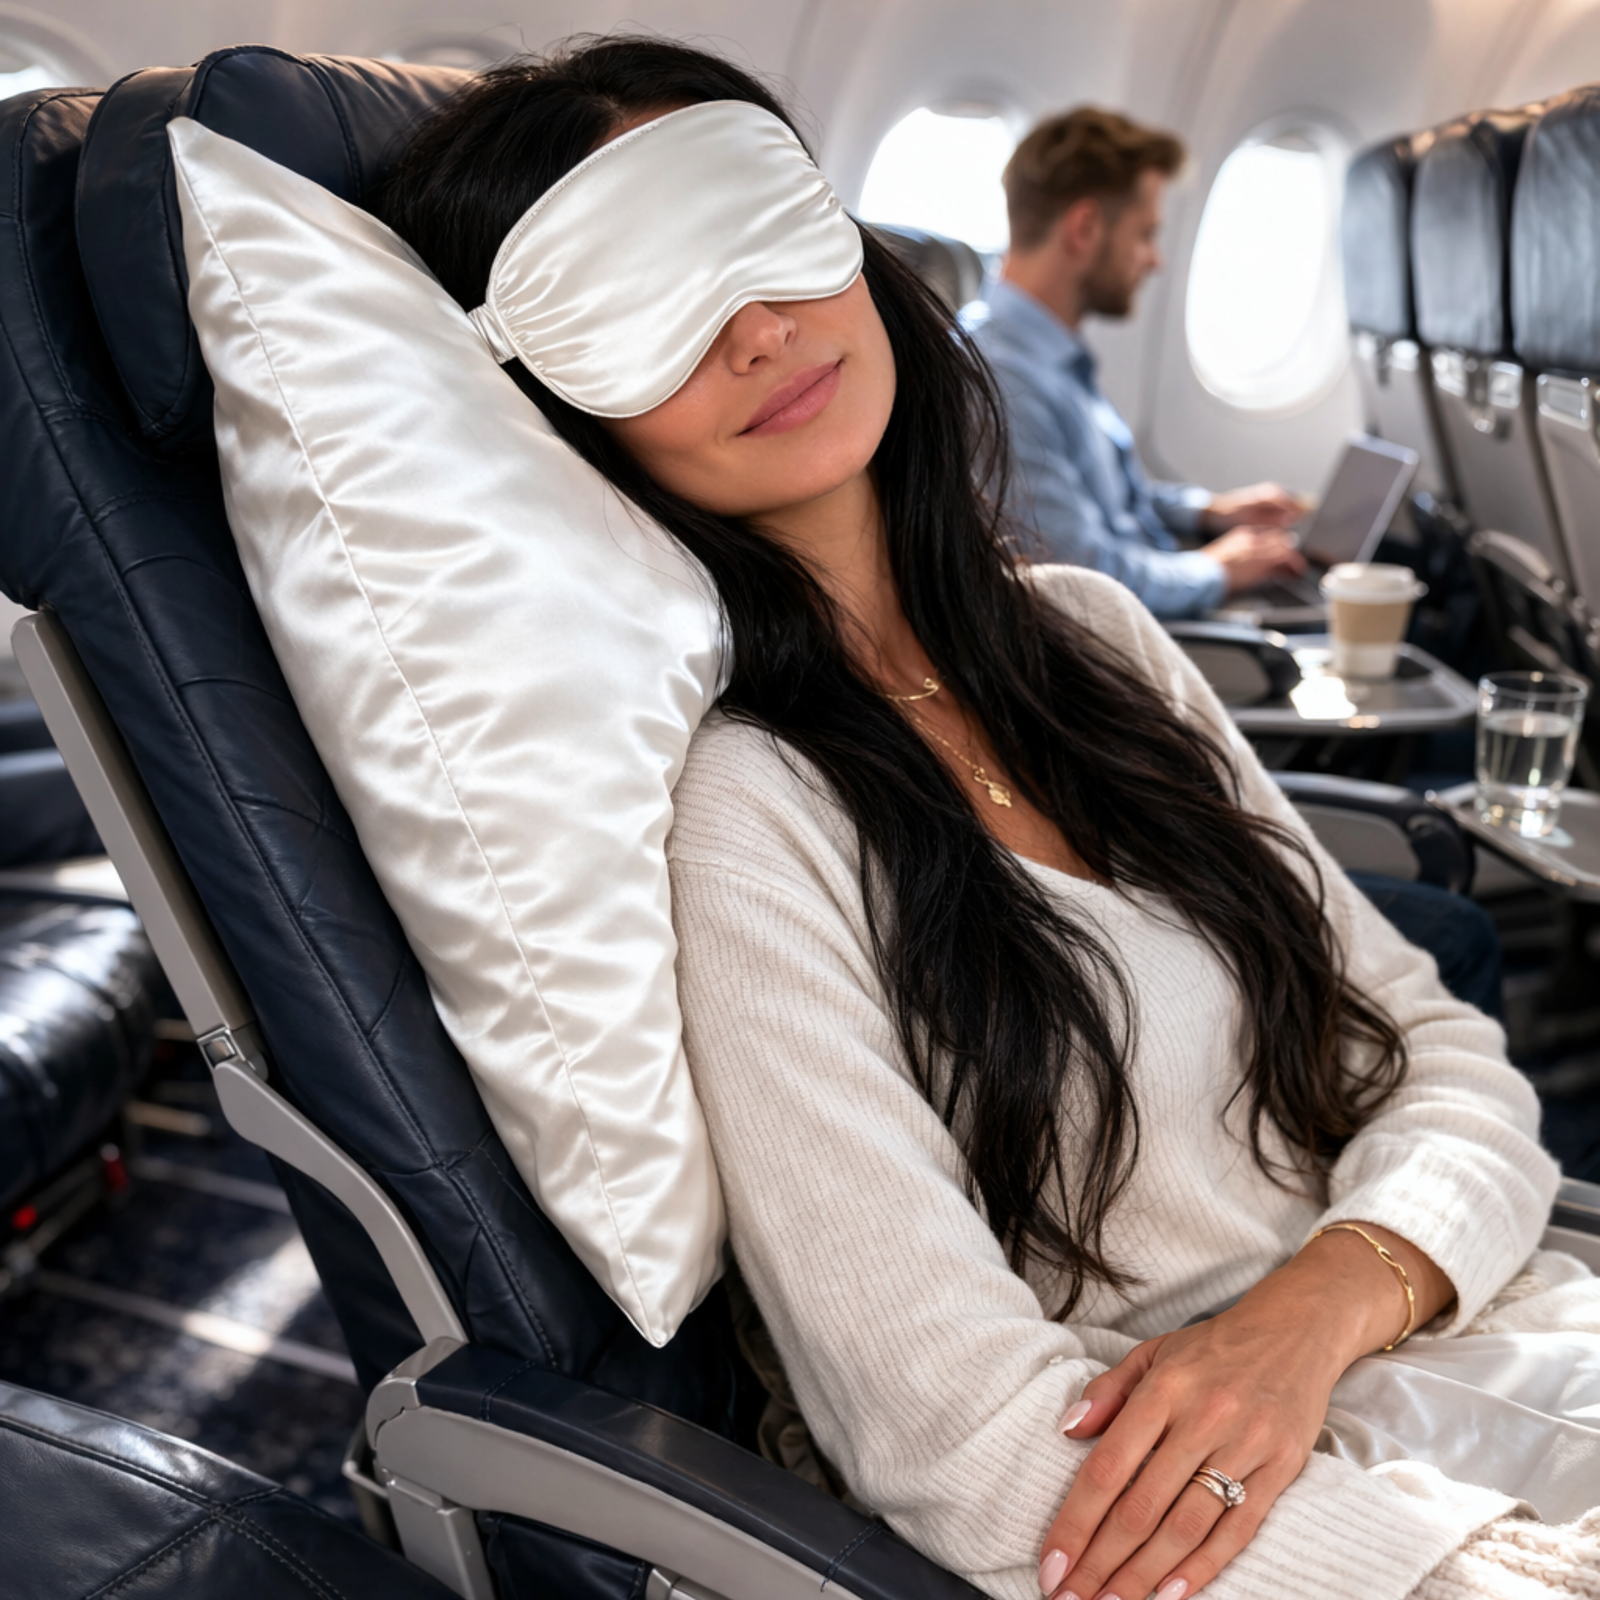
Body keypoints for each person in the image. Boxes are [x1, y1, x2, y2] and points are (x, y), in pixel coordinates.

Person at [381, 39, 1600, 1600]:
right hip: (1312, 1524)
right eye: (642, 309)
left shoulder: (1092, 634)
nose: (756, 329)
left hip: (1474, 1339)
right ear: (556, 404)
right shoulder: (746, 817)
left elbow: (1444, 1062)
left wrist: (1324, 1301)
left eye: (761, 236)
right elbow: (964, 1442)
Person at [967, 108, 1307, 617]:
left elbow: (1098, 498)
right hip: (1120, 635)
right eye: (1145, 234)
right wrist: (1216, 569)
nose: (1155, 260)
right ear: (1084, 229)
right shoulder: (1003, 378)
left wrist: (1207, 513)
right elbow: (1080, 579)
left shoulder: (1048, 355)